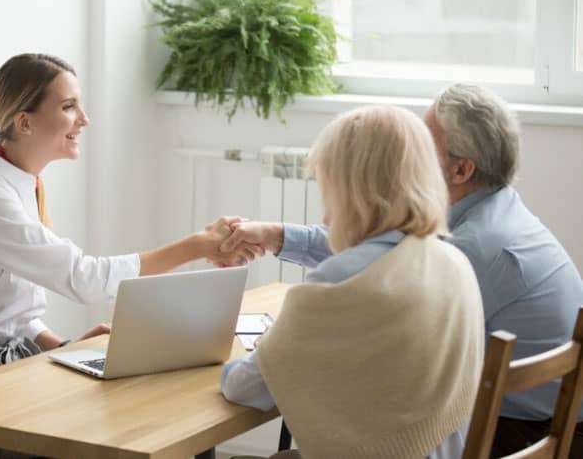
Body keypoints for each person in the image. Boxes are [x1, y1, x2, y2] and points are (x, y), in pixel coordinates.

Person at [0, 53, 260, 458]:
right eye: (69, 107)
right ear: (25, 121)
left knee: (167, 424)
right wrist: (196, 245)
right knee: (110, 439)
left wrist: (61, 345)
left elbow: (6, 310)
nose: (84, 119)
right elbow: (85, 279)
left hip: (3, 375)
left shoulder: (21, 186)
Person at [221, 84, 583, 457]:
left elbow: (369, 271)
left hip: (522, 433)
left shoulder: (467, 247)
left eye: (424, 146)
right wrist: (280, 237)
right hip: (526, 424)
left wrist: (286, 347)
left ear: (461, 169)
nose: (409, 156)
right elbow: (378, 259)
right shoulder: (488, 223)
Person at [220, 105, 485, 459]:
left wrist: (271, 345)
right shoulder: (453, 262)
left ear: (349, 189)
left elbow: (242, 388)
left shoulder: (336, 283)